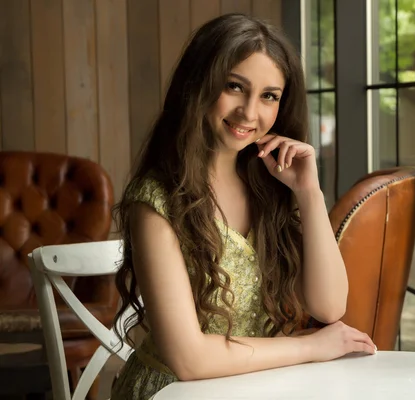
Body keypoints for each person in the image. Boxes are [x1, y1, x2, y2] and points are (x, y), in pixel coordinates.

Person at [109, 13, 376, 400]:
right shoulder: (156, 200)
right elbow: (190, 359)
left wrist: (309, 193)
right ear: (198, 85)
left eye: (269, 95)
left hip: (259, 385)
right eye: (235, 87)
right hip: (177, 392)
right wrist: (310, 347)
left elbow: (329, 304)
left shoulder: (271, 187)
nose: (250, 113)